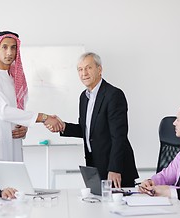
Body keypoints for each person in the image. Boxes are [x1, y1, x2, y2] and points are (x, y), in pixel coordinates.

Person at [0, 30, 62, 185]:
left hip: (13, 143)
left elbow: (16, 112)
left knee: (15, 193)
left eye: (13, 48)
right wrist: (44, 117)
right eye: (4, 47)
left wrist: (24, 127)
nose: (9, 52)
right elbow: (3, 111)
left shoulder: (13, 79)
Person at [49, 52, 138, 188]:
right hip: (94, 166)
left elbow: (119, 136)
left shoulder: (113, 95)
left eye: (88, 68)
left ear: (99, 69)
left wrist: (114, 169)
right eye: (80, 69)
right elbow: (86, 130)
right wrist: (63, 126)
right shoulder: (84, 97)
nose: (84, 73)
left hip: (115, 169)